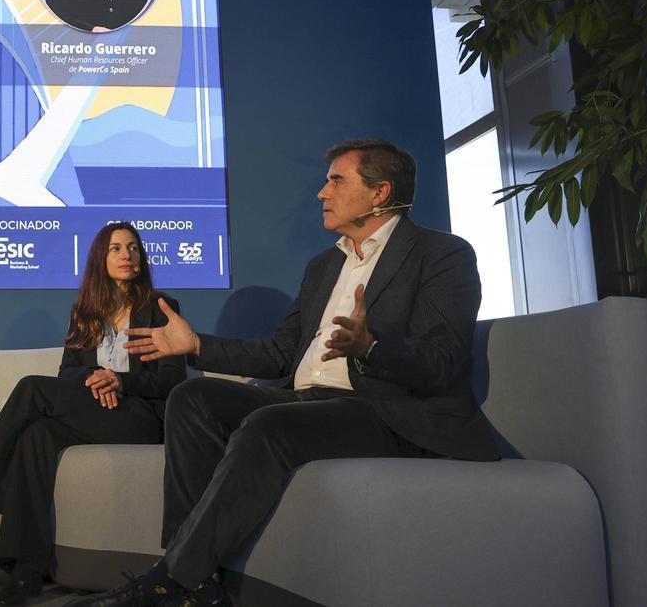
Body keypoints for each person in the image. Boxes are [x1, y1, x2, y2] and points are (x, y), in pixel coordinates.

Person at [67, 140, 501, 607]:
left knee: (269, 424)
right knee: (193, 399)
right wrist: (197, 346)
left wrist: (371, 347)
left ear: (380, 193)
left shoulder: (441, 254)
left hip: (385, 409)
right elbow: (280, 353)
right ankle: (196, 581)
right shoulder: (325, 265)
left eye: (336, 181)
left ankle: (168, 584)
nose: (321, 192)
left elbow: (443, 359)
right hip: (307, 400)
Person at [0, 222, 187, 606]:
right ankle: (26, 571)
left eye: (133, 247)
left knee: (32, 389)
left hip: (142, 417)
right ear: (100, 258)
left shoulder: (161, 307)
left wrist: (121, 380)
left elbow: (172, 380)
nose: (127, 255)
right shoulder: (85, 311)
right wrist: (96, 379)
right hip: (96, 413)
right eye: (116, 248)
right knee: (36, 436)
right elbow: (68, 374)